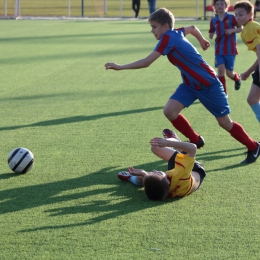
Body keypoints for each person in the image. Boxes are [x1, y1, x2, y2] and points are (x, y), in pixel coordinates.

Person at [104, 7, 260, 164]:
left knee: (225, 123)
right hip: (190, 84)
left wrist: (120, 66)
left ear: (165, 26)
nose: (152, 31)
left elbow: (146, 62)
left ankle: (253, 146)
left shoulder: (167, 38)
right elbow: (192, 28)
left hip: (209, 84)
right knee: (170, 111)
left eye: (154, 27)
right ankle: (196, 140)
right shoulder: (176, 32)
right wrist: (201, 40)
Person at [118, 129, 206, 201]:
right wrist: (168, 143)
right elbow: (193, 148)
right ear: (168, 181)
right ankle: (175, 141)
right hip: (194, 170)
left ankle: (130, 178)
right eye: (158, 173)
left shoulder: (161, 192)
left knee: (143, 179)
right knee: (156, 146)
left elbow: (154, 185)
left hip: (176, 181)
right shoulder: (181, 173)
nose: (155, 170)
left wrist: (144, 173)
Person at [234, 1, 260, 124]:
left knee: (253, 99)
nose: (238, 18)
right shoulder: (250, 27)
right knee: (252, 99)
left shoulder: (250, 28)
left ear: (250, 15)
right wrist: (250, 71)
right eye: (236, 15)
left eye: (241, 14)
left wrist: (249, 71)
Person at [209, 0, 242, 95]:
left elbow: (240, 28)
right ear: (214, 6)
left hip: (230, 49)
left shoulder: (232, 18)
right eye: (217, 4)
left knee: (229, 73)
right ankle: (223, 93)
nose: (219, 6)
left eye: (222, 4)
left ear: (226, 6)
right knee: (220, 70)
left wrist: (231, 31)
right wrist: (211, 35)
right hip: (219, 50)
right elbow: (211, 32)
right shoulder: (213, 20)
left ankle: (237, 78)